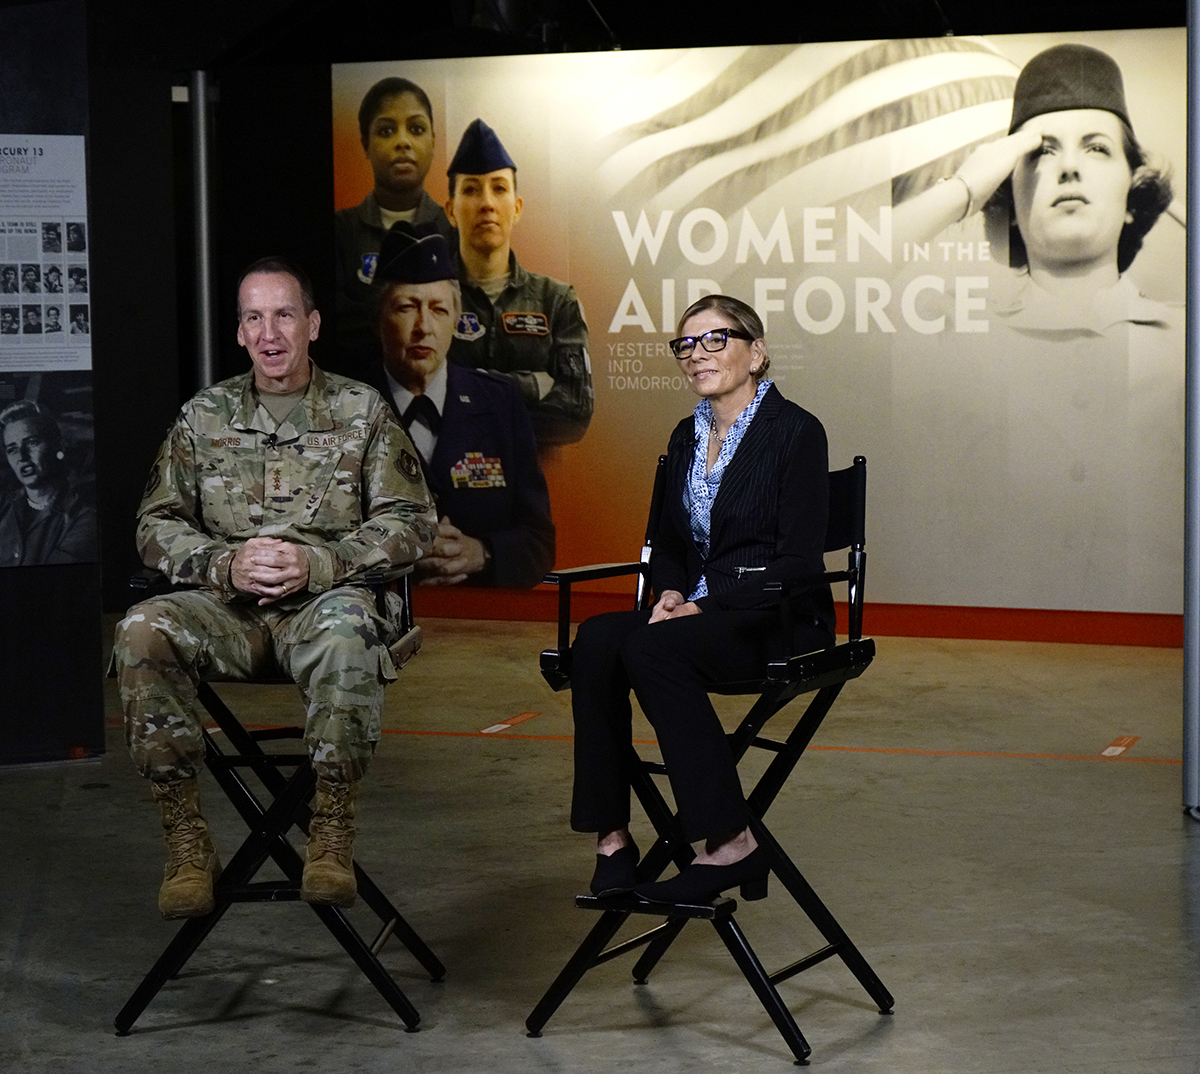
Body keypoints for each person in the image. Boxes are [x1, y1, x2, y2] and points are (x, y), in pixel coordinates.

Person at [111, 257, 437, 919]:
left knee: (349, 630)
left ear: (311, 324)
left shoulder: (359, 411)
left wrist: (321, 565)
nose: (270, 331)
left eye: (284, 314)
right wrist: (220, 564)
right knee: (141, 629)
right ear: (239, 333)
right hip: (224, 611)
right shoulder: (204, 416)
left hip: (323, 608)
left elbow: (413, 524)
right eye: (254, 317)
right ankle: (187, 841)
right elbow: (155, 523)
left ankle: (330, 830)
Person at [887, 43, 1181, 610]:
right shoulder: (951, 332)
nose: (1068, 166)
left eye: (1096, 149)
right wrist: (965, 189)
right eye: (1039, 154)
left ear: (1131, 194)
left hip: (1150, 665)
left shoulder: (1187, 344)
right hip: (986, 661)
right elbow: (817, 289)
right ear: (1011, 195)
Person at [569, 294, 834, 904]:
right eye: (687, 344)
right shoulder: (686, 434)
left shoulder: (796, 432)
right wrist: (669, 591)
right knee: (599, 639)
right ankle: (613, 839)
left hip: (776, 616)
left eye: (717, 339)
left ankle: (730, 843)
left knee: (655, 651)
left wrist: (702, 609)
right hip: (696, 613)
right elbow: (667, 542)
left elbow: (796, 562)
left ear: (756, 352)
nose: (698, 354)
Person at [369, 221, 554, 587]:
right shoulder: (346, 406)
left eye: (438, 309)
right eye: (406, 307)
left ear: (456, 318)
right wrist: (398, 555)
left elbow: (540, 542)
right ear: (378, 317)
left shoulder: (501, 404)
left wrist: (483, 552)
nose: (423, 327)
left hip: (482, 624)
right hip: (374, 624)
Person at [445, 119, 593, 449]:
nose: (486, 203)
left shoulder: (556, 301)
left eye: (499, 188)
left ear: (517, 208)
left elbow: (574, 412)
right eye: (470, 189)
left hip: (534, 488)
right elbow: (418, 399)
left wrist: (468, 395)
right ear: (450, 211)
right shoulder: (430, 300)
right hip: (445, 487)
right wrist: (531, 386)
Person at [335, 77, 453, 368]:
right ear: (366, 144)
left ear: (433, 141)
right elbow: (332, 322)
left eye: (416, 129)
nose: (403, 142)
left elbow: (462, 329)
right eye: (386, 131)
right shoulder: (340, 230)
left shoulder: (453, 231)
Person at [0, 400, 97, 566]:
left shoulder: (85, 517)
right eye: (12, 449)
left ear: (57, 444)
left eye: (32, 442)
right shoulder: (4, 506)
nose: (22, 457)